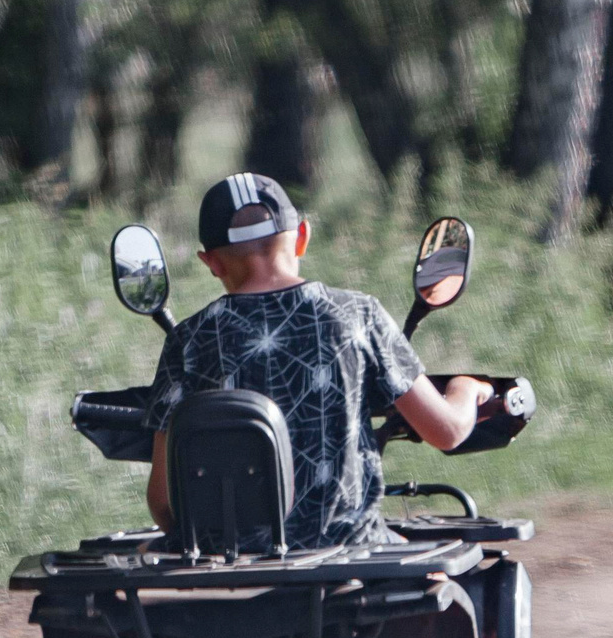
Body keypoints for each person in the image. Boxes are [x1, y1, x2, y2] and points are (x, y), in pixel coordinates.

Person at [144, 172, 491, 548]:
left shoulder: (189, 339)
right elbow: (448, 431)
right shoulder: (359, 315)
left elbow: (164, 503)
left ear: (211, 262)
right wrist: (465, 389)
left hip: (227, 560)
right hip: (350, 550)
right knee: (441, 578)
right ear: (303, 238)